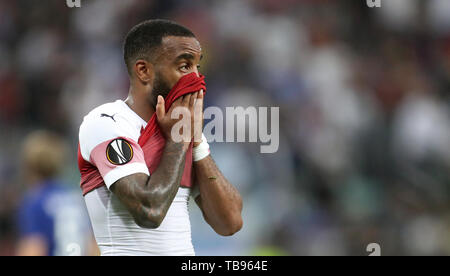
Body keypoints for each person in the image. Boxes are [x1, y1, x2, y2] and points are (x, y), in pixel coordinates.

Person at [78, 19, 243, 256]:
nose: (197, 79)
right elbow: (149, 211)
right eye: (185, 66)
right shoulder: (106, 122)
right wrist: (178, 139)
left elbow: (230, 223)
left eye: (198, 66)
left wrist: (196, 143)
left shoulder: (184, 131)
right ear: (144, 70)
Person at [17, 130, 93, 256]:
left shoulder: (36, 202)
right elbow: (92, 245)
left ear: (29, 166)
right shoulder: (76, 199)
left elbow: (34, 248)